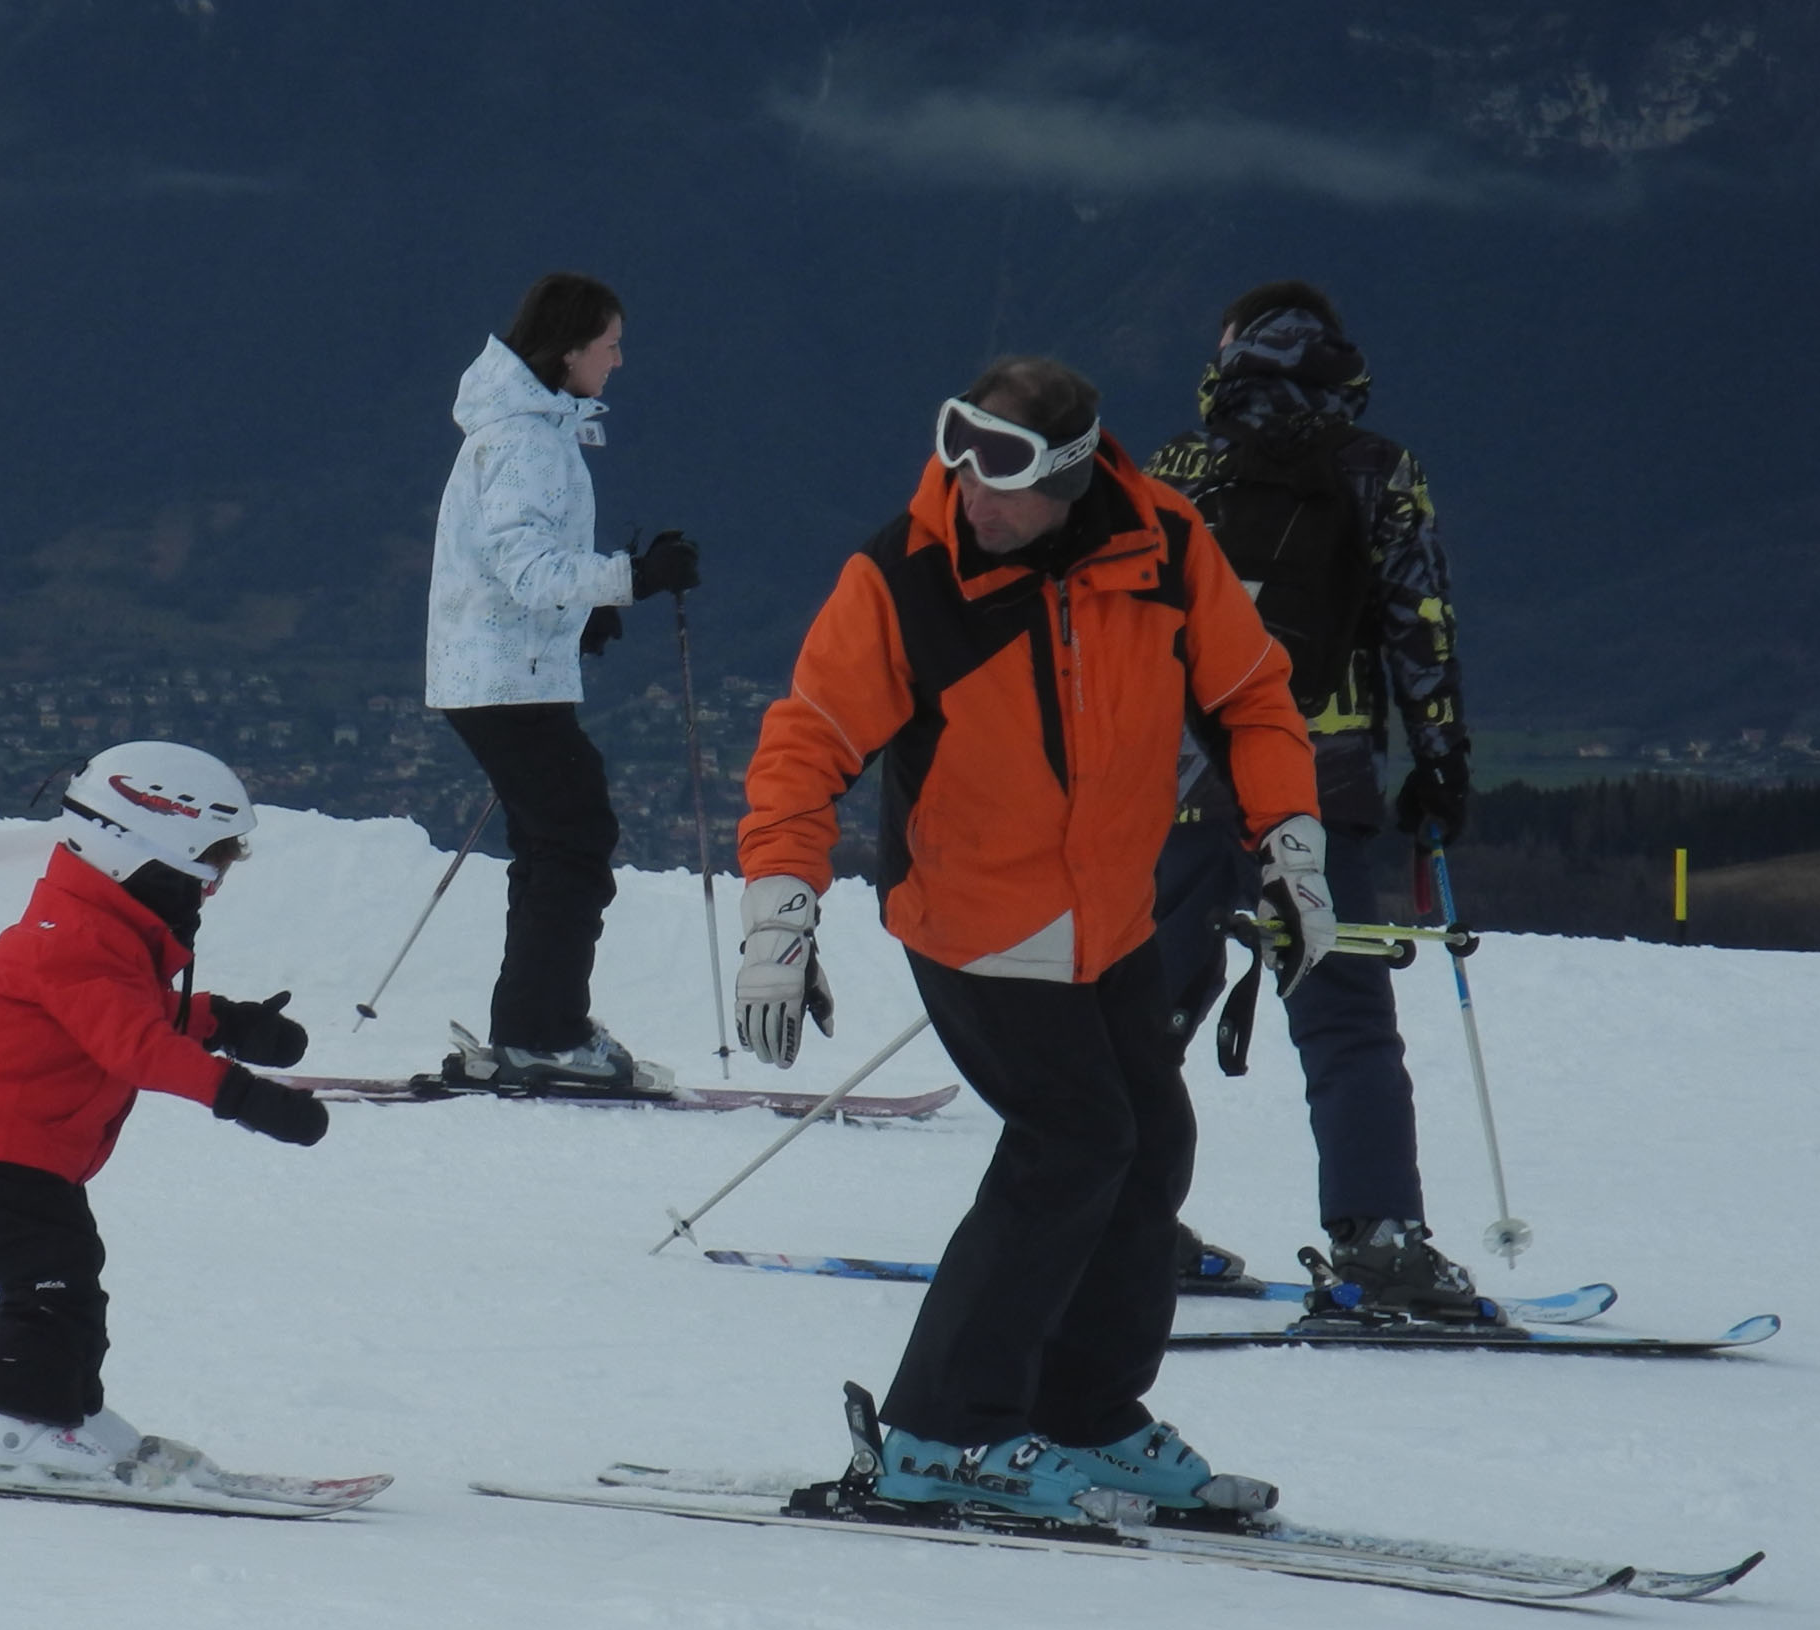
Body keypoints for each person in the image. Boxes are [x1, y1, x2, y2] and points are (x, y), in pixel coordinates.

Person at [734, 356, 1331, 1522]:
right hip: (973, 916)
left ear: (1068, 479)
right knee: (1072, 1140)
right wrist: (778, 917)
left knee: (1148, 1144)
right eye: (956, 458)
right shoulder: (904, 576)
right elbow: (805, 744)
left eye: (1000, 475)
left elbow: (1251, 696)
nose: (970, 493)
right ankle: (937, 1433)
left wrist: (1289, 845)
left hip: (1107, 916)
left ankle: (1083, 1412)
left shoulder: (1161, 548)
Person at [1145, 280, 1479, 1315]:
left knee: (1142, 1010)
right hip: (1314, 784)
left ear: (1231, 351)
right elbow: (1419, 625)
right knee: (1344, 1020)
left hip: (1172, 783)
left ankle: (1113, 1211)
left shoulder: (1173, 470)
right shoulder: (1378, 470)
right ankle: (1379, 1241)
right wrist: (1439, 766)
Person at [0, 741, 331, 1477]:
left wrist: (225, 1020)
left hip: (23, 1138)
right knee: (51, 1279)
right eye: (207, 872)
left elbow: (129, 1011)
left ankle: (64, 1408)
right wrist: (242, 1094)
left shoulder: (95, 927)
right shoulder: (73, 939)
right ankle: (15, 1421)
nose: (210, 891)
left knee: (70, 1274)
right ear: (146, 858)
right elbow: (136, 1045)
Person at [423, 271, 701, 1093]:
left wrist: (582, 616)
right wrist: (633, 578)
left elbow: (512, 568)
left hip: (500, 671)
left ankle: (530, 1027)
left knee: (555, 840)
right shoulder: (526, 441)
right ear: (572, 348)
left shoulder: (523, 429)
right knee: (575, 837)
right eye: (610, 344)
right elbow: (527, 569)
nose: (618, 360)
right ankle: (545, 1033)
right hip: (503, 679)